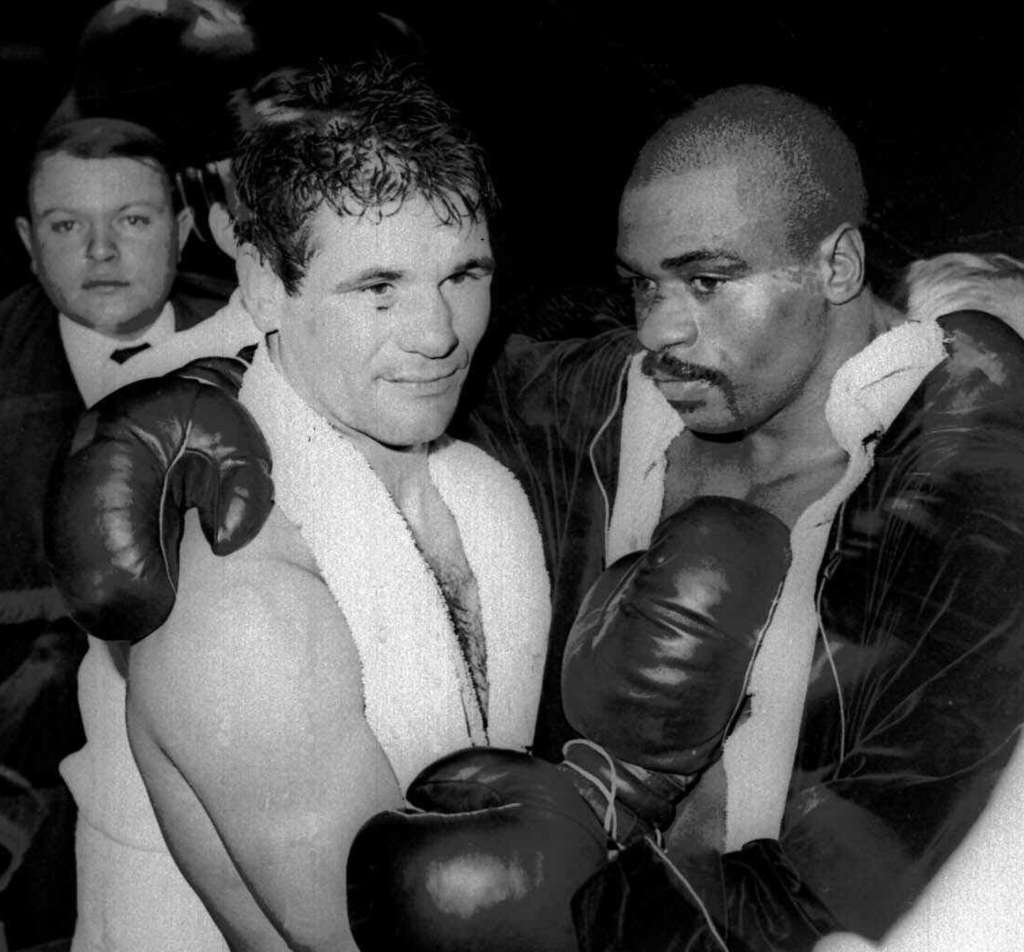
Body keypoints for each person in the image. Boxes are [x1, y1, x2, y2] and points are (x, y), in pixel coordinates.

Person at [47, 86, 1024, 950]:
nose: (660, 327)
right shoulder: (584, 420)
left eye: (707, 280)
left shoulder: (946, 515)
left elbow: (878, 861)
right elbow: (344, 369)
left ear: (840, 269)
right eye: (644, 285)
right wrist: (166, 409)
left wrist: (984, 402)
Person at [50, 58, 551, 951]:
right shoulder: (242, 610)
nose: (439, 334)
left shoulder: (483, 497)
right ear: (263, 285)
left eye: (463, 274)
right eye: (378, 287)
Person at [0, 115, 239, 949]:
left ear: (181, 226)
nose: (101, 253)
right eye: (68, 226)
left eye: (132, 220)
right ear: (28, 243)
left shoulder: (261, 339)